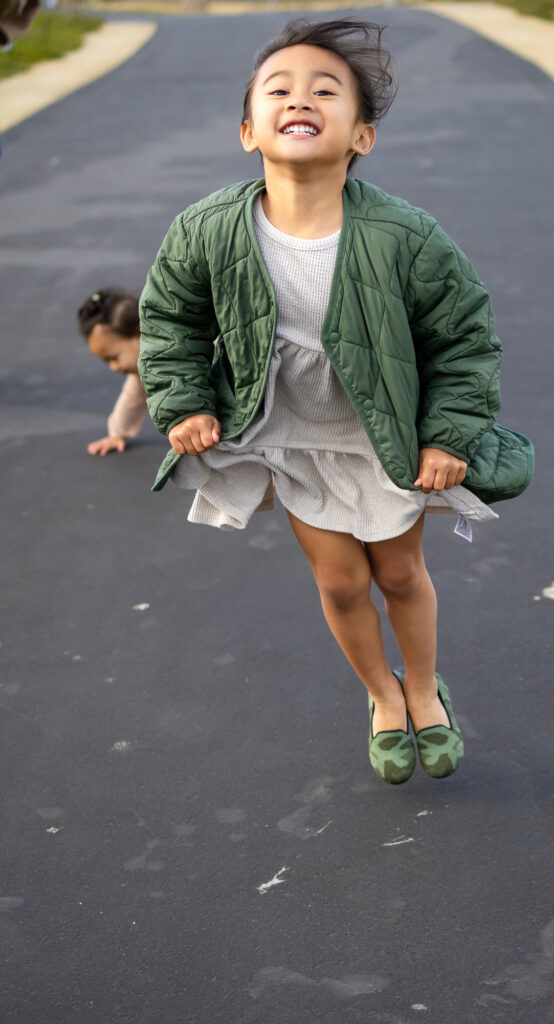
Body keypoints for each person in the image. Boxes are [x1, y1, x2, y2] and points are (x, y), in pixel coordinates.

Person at [138, 18, 506, 785]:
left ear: (361, 137)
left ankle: (422, 689)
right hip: (294, 433)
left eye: (324, 90)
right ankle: (381, 695)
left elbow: (463, 338)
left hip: (385, 434)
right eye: (279, 88)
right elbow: (171, 321)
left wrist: (448, 437)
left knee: (399, 574)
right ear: (248, 130)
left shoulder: (406, 235)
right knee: (340, 581)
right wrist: (184, 403)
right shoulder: (206, 231)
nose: (299, 98)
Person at [77, 289, 147, 456]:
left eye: (114, 357)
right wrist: (116, 434)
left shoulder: (181, 349)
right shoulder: (143, 369)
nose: (113, 367)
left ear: (138, 333)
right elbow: (132, 397)